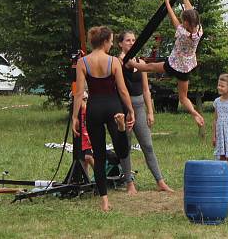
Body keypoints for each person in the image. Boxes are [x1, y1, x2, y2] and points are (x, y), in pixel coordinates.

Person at [72, 26, 135, 212]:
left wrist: (76, 116)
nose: (111, 44)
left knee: (98, 156)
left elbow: (79, 94)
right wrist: (130, 110)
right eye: (111, 41)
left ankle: (105, 201)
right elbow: (122, 90)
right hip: (113, 106)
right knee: (122, 151)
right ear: (105, 42)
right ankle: (122, 128)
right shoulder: (114, 61)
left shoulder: (83, 62)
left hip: (94, 108)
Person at [133, 0, 205, 128]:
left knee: (149, 66)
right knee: (183, 98)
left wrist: (167, 1)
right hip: (186, 68)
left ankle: (129, 63)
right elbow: (190, 10)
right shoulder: (198, 31)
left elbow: (173, 17)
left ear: (186, 22)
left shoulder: (183, 33)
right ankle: (194, 113)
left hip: (174, 65)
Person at [117, 30, 173, 194]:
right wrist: (126, 110)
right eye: (128, 40)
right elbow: (119, 89)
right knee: (125, 146)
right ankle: (129, 182)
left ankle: (160, 181)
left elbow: (146, 90)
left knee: (147, 145)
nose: (131, 43)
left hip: (140, 106)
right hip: (124, 108)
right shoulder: (116, 62)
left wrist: (150, 111)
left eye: (134, 40)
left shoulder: (140, 62)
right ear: (120, 43)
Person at [79, 92, 95, 178]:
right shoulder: (77, 113)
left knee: (88, 157)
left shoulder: (88, 110)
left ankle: (99, 175)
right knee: (82, 161)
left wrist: (90, 136)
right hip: (81, 139)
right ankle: (86, 180)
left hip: (88, 137)